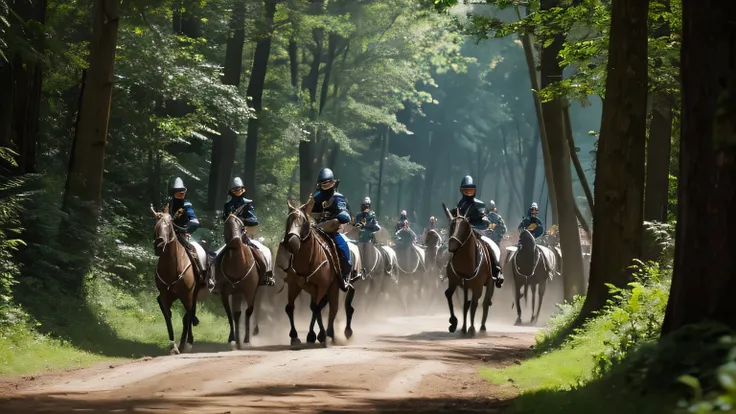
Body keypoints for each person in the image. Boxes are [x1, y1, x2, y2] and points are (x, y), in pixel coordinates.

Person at [222, 177, 275, 286]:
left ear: (243, 190)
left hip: (243, 235)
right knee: (216, 256)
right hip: (230, 236)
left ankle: (266, 275)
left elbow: (253, 220)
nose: (237, 192)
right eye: (235, 190)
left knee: (262, 252)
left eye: (239, 190)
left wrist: (241, 221)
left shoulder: (247, 203)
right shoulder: (227, 205)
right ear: (231, 191)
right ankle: (214, 280)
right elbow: (224, 219)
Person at [454, 175, 503, 287]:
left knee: (491, 246)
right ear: (462, 191)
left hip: (478, 233)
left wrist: (473, 226)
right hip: (463, 236)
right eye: (466, 190)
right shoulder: (459, 206)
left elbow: (485, 222)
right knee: (450, 247)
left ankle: (497, 270)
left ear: (474, 190)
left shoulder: (479, 204)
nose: (468, 192)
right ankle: (447, 271)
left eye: (470, 190)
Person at [310, 168, 354, 292]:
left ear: (333, 182)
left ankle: (345, 274)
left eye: (327, 182)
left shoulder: (338, 197)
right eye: (323, 183)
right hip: (315, 229)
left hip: (332, 230)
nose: (325, 185)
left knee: (342, 246)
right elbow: (308, 212)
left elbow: (345, 214)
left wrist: (339, 215)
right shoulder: (316, 197)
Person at [167, 177, 212, 288]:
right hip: (169, 234)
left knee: (199, 253)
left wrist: (186, 230)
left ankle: (205, 276)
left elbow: (194, 222)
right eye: (178, 194)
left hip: (184, 234)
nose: (180, 196)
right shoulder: (168, 205)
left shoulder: (187, 205)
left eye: (182, 194)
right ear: (174, 193)